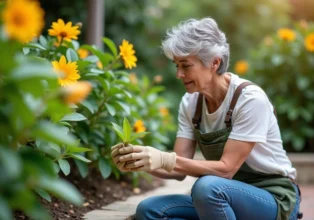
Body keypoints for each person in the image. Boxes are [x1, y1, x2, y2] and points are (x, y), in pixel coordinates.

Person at [111, 17, 301, 220]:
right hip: (222, 197)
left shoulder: (249, 100)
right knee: (150, 210)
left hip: (272, 199)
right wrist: (139, 162)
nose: (179, 74)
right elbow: (177, 170)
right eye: (176, 65)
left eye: (186, 66)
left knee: (207, 187)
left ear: (214, 62)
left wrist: (164, 158)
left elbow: (227, 170)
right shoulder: (190, 103)